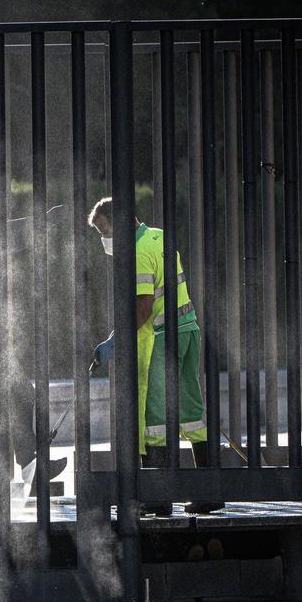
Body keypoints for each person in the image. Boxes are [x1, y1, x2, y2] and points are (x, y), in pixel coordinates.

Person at [88, 196, 221, 516]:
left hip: (163, 339)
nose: (104, 240)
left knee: (152, 419)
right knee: (192, 412)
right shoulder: (159, 237)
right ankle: (210, 492)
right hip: (188, 332)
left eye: (104, 231)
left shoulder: (137, 252)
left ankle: (157, 499)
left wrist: (117, 341)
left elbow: (144, 307)